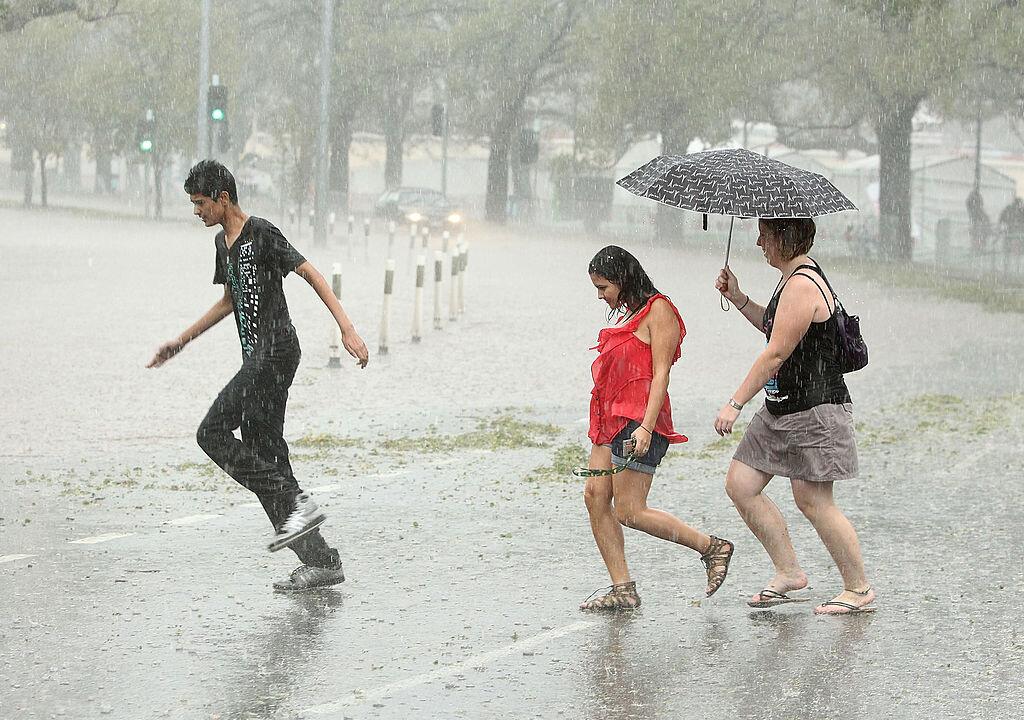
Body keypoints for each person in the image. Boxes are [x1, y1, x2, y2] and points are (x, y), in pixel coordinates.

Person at [147, 160, 369, 592]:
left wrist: (347, 328)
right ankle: (322, 561)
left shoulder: (261, 232)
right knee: (267, 454)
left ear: (222, 197)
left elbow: (311, 274)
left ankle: (285, 495)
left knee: (211, 432)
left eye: (200, 203)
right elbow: (228, 302)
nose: (196, 211)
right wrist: (181, 342)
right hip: (256, 358)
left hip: (277, 352)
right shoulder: (222, 244)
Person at [714, 218, 875, 615]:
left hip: (816, 409)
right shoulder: (789, 280)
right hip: (781, 406)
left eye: (765, 235)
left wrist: (735, 403)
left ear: (784, 237)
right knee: (741, 484)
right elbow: (775, 328)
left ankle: (858, 589)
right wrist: (739, 298)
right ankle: (789, 572)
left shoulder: (803, 284)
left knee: (814, 501)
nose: (759, 242)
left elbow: (775, 353)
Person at [580, 245, 734, 611]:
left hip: (639, 421)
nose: (600, 296)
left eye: (603, 287)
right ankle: (622, 589)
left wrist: (647, 428)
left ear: (621, 279)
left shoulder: (659, 310)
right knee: (595, 495)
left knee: (629, 511)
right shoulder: (629, 313)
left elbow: (661, 374)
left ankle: (711, 547)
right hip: (609, 419)